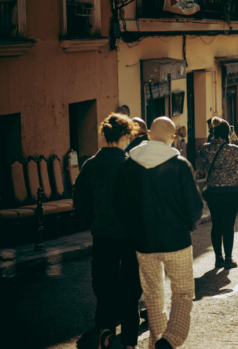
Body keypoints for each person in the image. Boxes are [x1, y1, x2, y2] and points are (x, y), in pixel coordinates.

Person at [114, 117, 204, 349]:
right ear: (173, 138)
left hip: (143, 241)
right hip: (177, 241)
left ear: (150, 134)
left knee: (152, 295)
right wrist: (189, 226)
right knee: (183, 293)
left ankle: (156, 342)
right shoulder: (180, 164)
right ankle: (170, 339)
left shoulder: (129, 164)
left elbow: (121, 205)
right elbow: (194, 206)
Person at [74, 114, 143, 349]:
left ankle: (105, 332)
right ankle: (130, 342)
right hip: (131, 237)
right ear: (126, 136)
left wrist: (92, 221)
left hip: (103, 236)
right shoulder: (131, 164)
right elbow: (142, 201)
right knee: (130, 289)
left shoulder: (91, 165)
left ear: (104, 135)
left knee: (104, 288)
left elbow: (80, 201)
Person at [199, 119, 238, 268]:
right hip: (232, 191)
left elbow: (202, 156)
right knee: (228, 225)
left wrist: (212, 139)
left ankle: (218, 258)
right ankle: (228, 258)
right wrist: (237, 140)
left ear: (214, 133)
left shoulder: (206, 148)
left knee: (216, 224)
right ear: (227, 133)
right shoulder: (231, 148)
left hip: (213, 191)